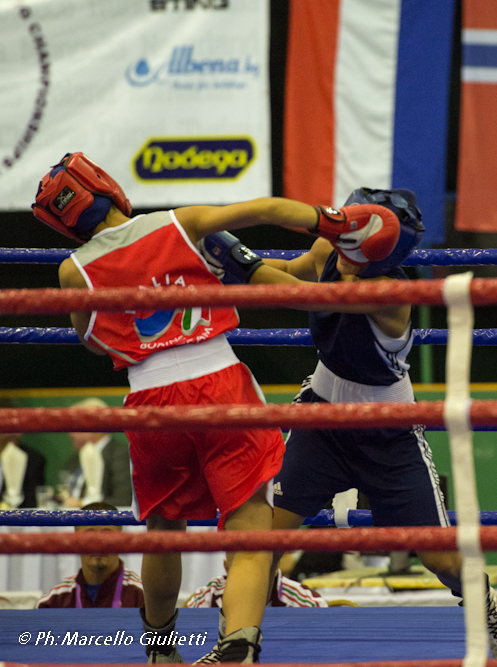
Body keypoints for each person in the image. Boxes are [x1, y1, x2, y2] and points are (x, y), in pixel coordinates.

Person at [31, 152, 400, 664]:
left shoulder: (72, 273)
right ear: (106, 187)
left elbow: (94, 342)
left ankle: (160, 651)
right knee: (250, 521)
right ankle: (239, 646)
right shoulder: (180, 224)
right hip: (218, 384)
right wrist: (330, 222)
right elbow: (266, 208)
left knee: (163, 534)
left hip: (149, 400)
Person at [202, 187, 497, 660]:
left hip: (388, 433)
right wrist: (231, 266)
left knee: (437, 556)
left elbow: (301, 296)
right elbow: (290, 274)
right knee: (260, 539)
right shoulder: (326, 250)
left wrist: (239, 259)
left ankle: (484, 603)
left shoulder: (391, 294)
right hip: (322, 419)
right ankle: (237, 645)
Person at [36, 501, 145, 609]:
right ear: (76, 541)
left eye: (107, 534)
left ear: (121, 540)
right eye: (89, 535)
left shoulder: (142, 596)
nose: (98, 543)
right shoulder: (54, 600)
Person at [61, 397, 133, 508]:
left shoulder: (119, 454)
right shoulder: (75, 459)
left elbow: (123, 500)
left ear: (94, 426)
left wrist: (81, 504)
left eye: (74, 426)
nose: (70, 434)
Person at [185, 556, 327, 609]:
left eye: (257, 564)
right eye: (240, 566)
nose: (249, 573)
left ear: (276, 565)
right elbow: (187, 643)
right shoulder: (208, 596)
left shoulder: (308, 603)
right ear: (227, 568)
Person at [0, 398, 47, 510]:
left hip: (18, 523)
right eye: (4, 422)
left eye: (14, 422)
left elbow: (31, 504)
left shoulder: (33, 460)